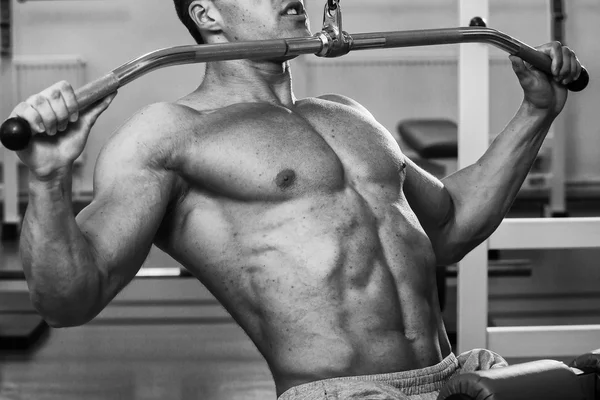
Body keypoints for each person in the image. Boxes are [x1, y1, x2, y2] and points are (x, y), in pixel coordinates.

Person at [9, 0, 582, 399]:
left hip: (457, 377)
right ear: (207, 15)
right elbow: (68, 300)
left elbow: (451, 226)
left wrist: (537, 112)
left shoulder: (348, 115)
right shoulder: (168, 134)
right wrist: (48, 180)